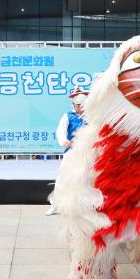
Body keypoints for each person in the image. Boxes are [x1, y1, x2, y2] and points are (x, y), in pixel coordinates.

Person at [46, 86, 89, 216]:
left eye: (82, 105)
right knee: (63, 178)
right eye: (78, 105)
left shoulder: (91, 116)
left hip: (87, 152)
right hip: (71, 151)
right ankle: (55, 206)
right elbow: (61, 131)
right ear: (73, 104)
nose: (80, 108)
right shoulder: (68, 116)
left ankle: (86, 206)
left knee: (87, 178)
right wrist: (64, 140)